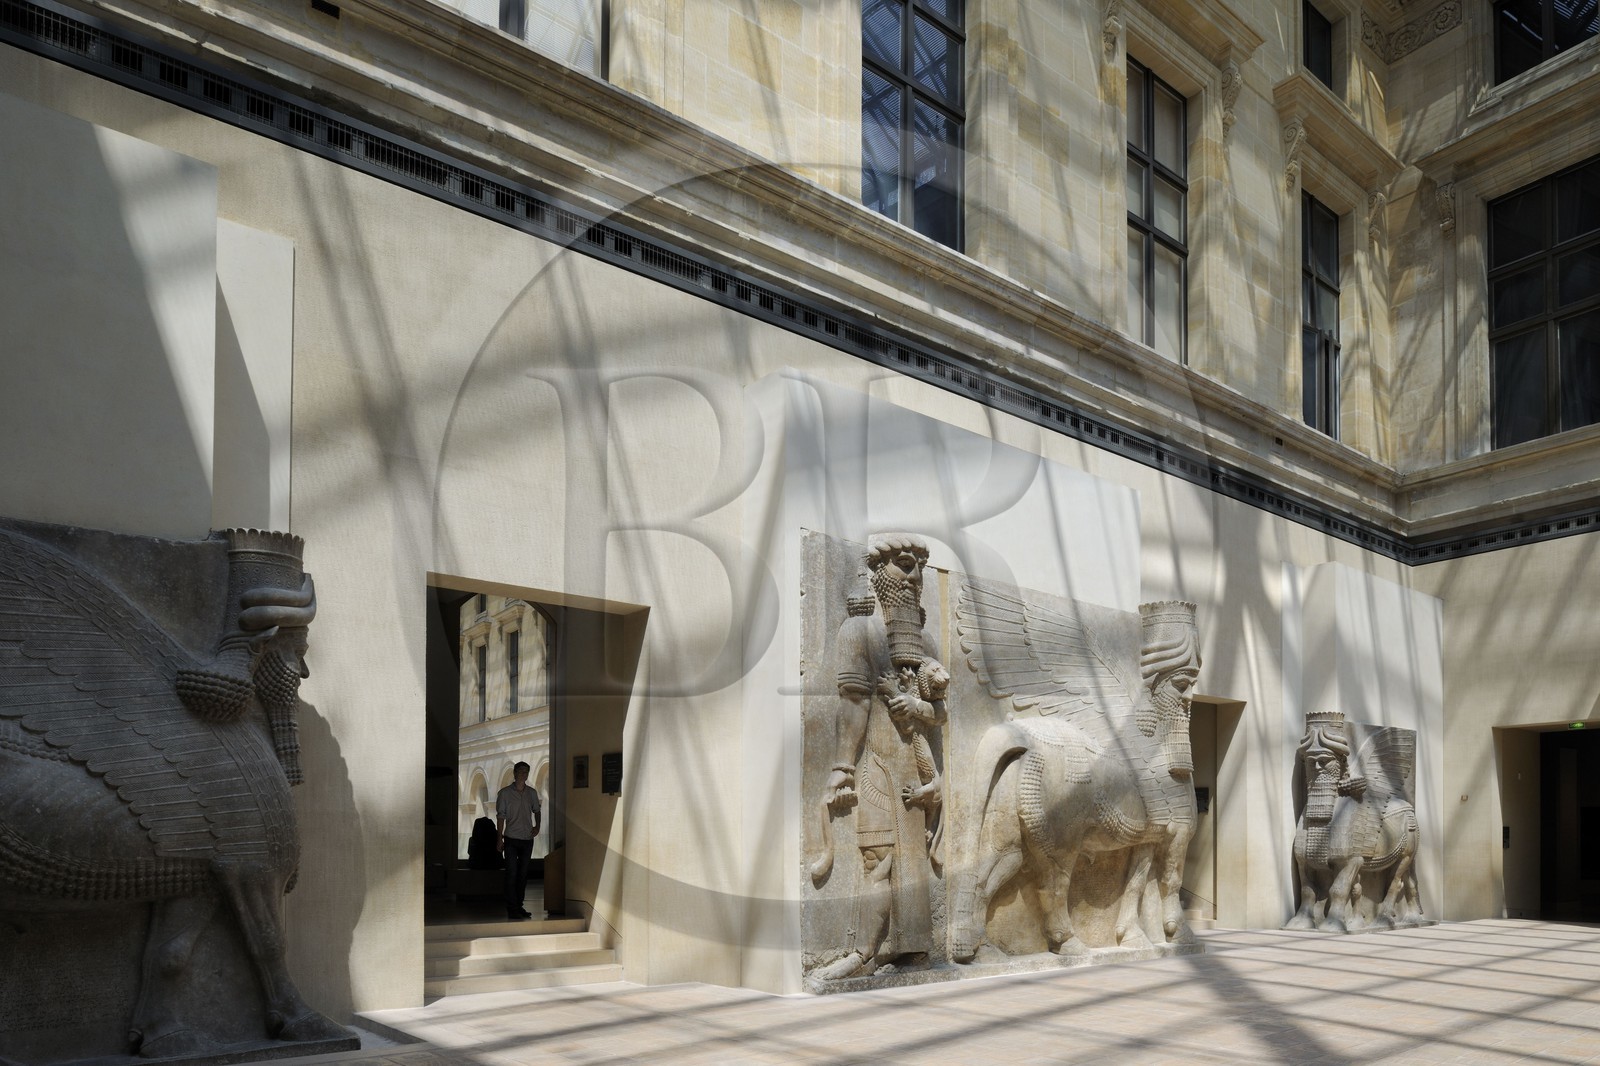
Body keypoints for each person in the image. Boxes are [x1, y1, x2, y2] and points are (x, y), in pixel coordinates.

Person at [495, 761, 541, 919]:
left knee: (522, 874)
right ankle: (511, 906)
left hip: (527, 839)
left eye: (526, 772)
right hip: (511, 839)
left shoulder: (532, 793)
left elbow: (537, 810)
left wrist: (538, 826)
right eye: (521, 771)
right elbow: (500, 816)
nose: (524, 774)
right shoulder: (505, 793)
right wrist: (499, 838)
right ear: (514, 773)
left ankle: (519, 905)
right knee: (512, 873)